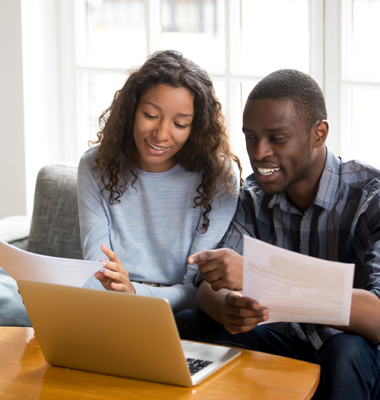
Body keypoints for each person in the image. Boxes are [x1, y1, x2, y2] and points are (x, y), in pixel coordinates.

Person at [175, 69, 380, 399]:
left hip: (358, 356)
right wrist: (227, 305)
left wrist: (263, 278)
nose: (259, 153)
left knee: (346, 353)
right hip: (286, 343)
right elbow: (204, 289)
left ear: (319, 133)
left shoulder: (370, 196)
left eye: (277, 138)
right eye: (251, 137)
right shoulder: (253, 197)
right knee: (190, 323)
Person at [77, 50, 241, 314]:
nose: (162, 134)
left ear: (196, 127)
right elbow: (96, 270)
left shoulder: (220, 177)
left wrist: (132, 292)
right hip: (107, 304)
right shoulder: (95, 165)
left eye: (180, 123)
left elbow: (195, 290)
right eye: (151, 116)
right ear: (131, 111)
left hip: (176, 313)